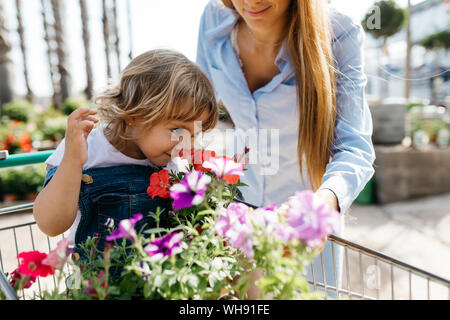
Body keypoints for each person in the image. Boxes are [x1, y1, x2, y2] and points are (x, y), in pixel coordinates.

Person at [196, 0, 376, 298]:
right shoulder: (214, 21)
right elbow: (194, 116)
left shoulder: (339, 32)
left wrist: (327, 200)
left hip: (305, 226)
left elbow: (354, 145)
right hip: (240, 219)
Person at [33, 49, 218, 253]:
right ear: (134, 114)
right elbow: (50, 225)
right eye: (177, 130)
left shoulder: (170, 163)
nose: (186, 146)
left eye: (193, 135)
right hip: (97, 283)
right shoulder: (84, 148)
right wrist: (72, 162)